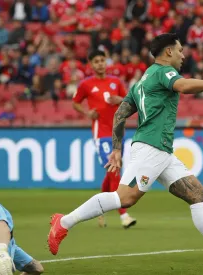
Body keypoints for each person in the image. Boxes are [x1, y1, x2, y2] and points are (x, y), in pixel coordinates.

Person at [47, 33, 203, 268]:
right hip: (151, 147)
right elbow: (183, 85)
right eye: (179, 51)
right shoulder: (163, 71)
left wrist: (116, 149)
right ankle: (63, 223)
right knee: (125, 197)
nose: (182, 55)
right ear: (168, 52)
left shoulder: (141, 81)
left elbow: (120, 113)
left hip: (161, 150)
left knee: (197, 194)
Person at [72, 50, 137, 229]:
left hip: (118, 132)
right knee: (114, 169)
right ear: (91, 65)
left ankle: (100, 209)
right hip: (101, 134)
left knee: (111, 173)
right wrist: (87, 113)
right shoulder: (86, 84)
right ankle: (123, 214)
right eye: (96, 61)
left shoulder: (116, 82)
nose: (100, 64)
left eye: (102, 60)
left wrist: (120, 99)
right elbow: (75, 102)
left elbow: (130, 101)